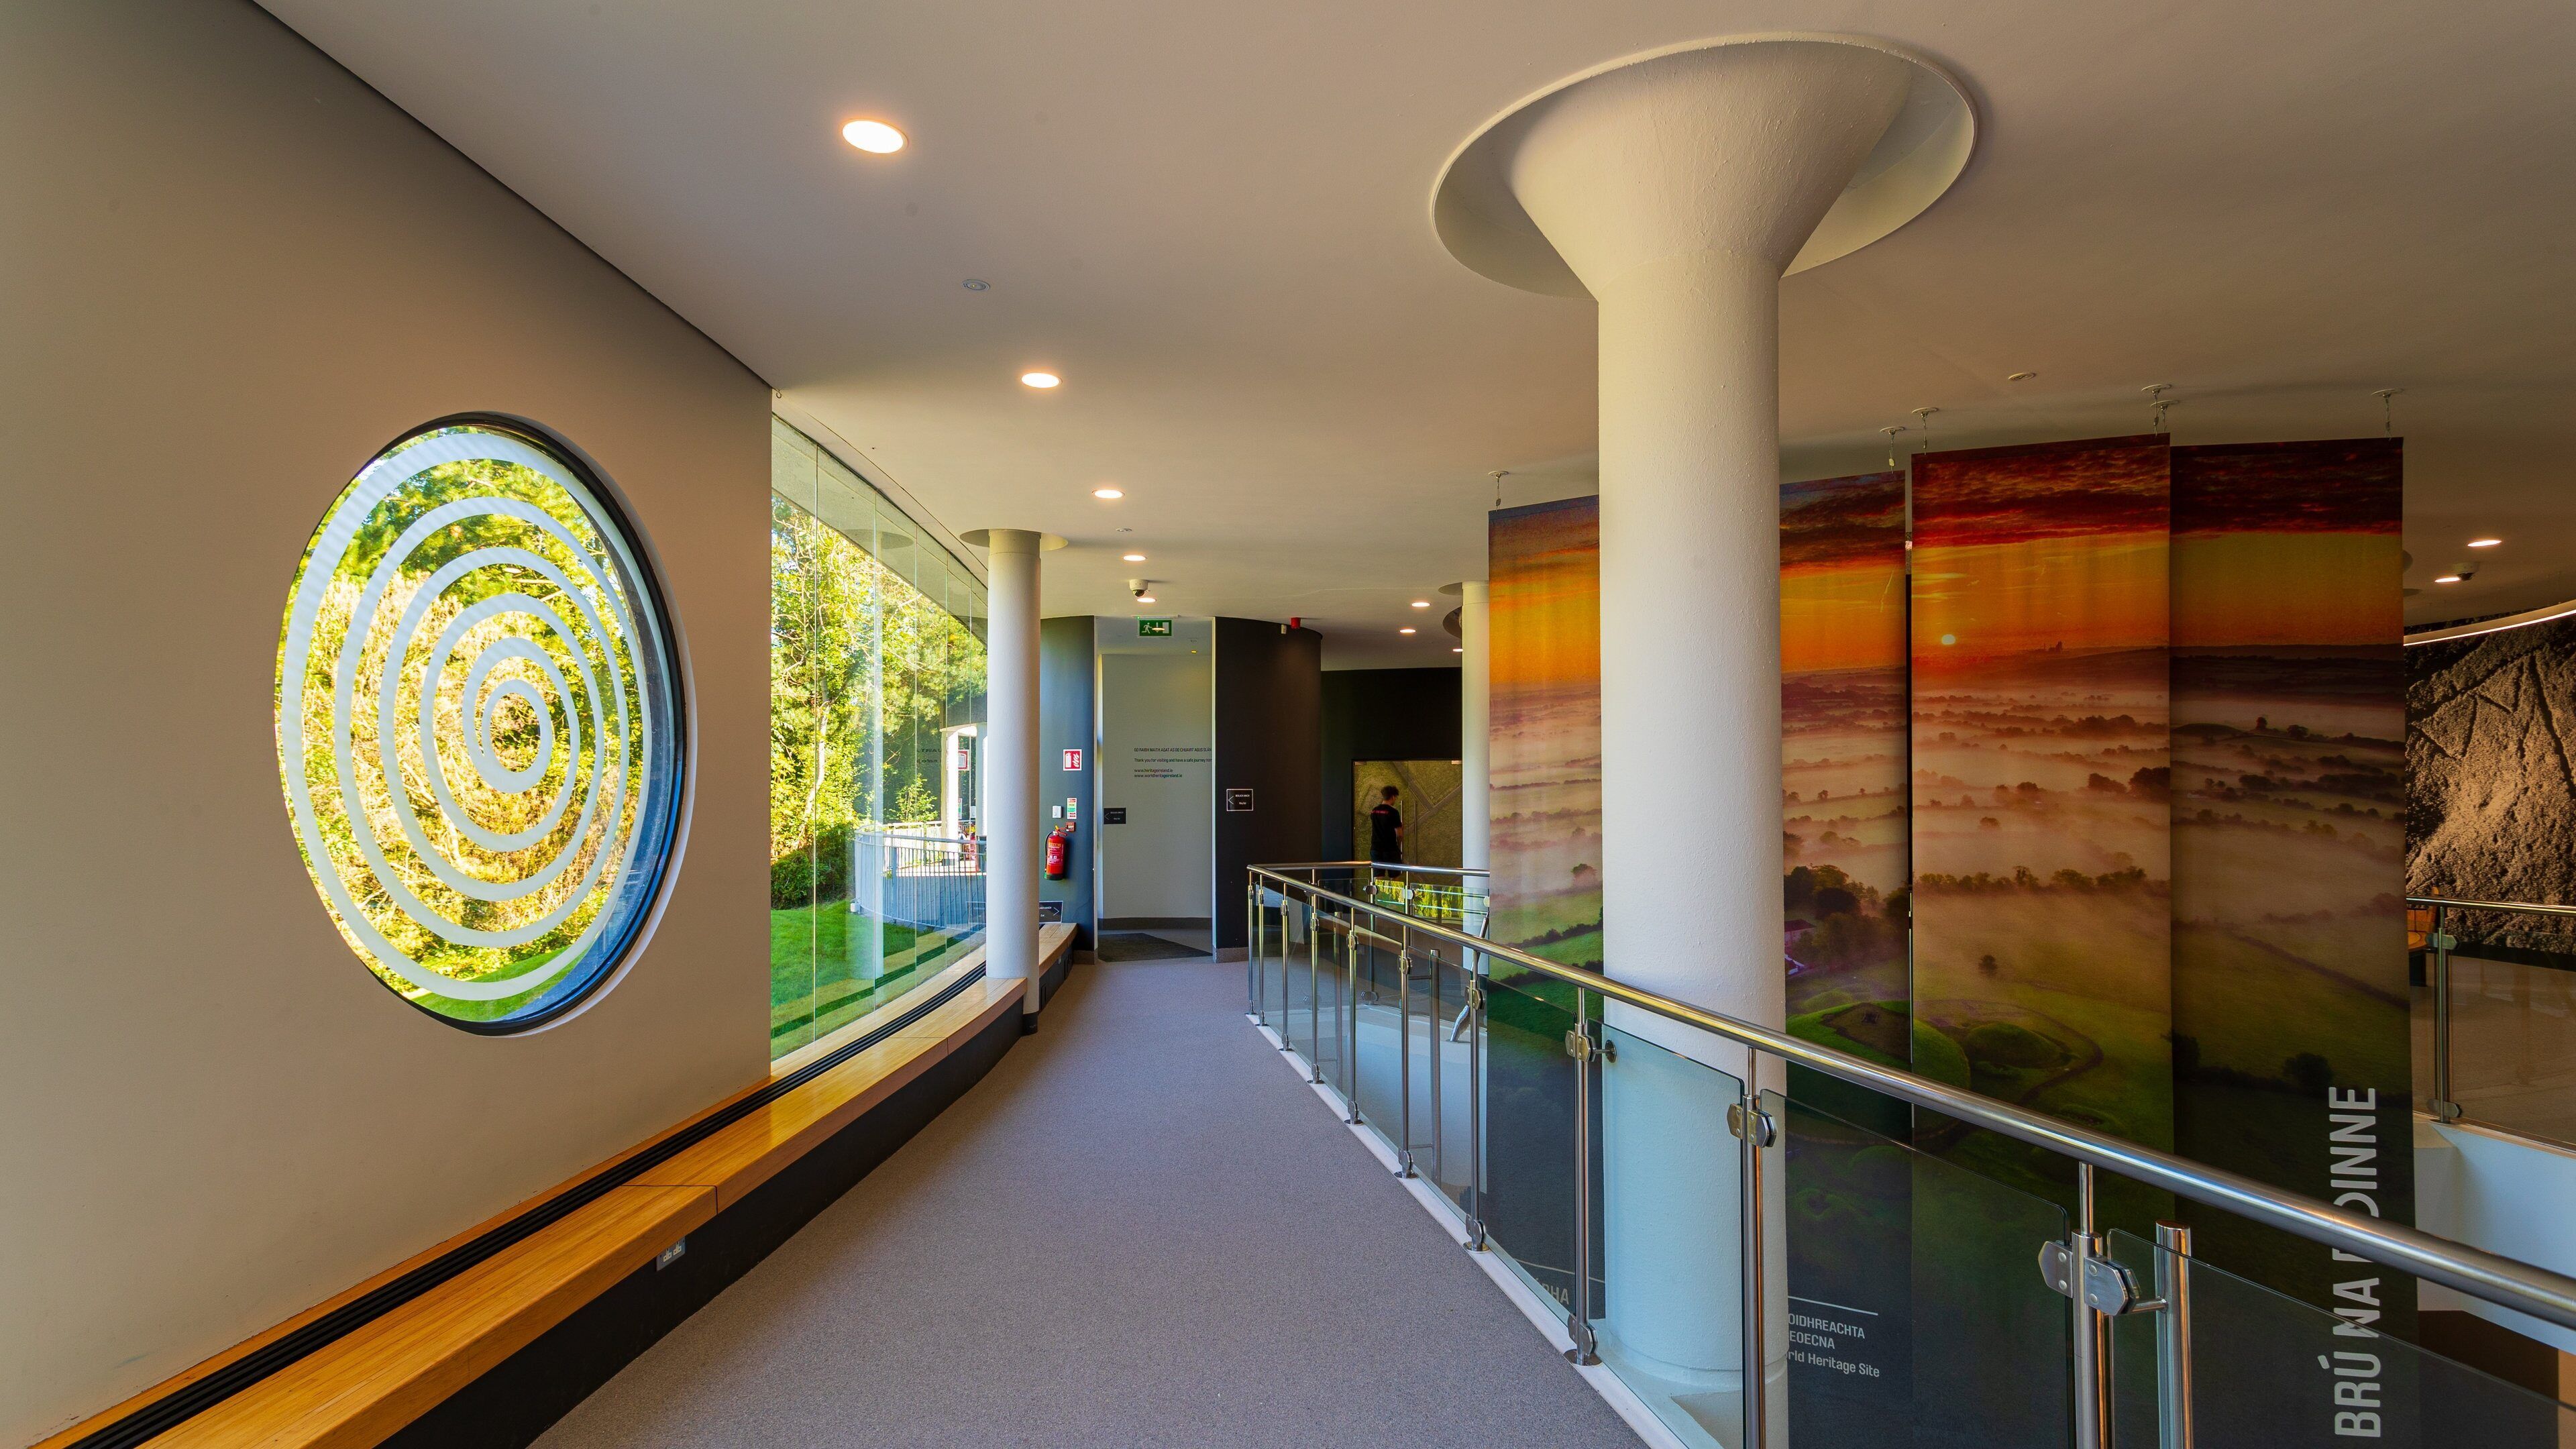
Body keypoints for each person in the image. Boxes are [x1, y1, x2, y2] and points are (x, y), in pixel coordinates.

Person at [1367, 784, 1404, 864]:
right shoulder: (1393, 812)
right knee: (1395, 874)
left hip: (1375, 848)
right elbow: (1400, 834)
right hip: (1390, 849)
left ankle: (1378, 877)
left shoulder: (1374, 811)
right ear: (1393, 797)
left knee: (1378, 874)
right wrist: (1399, 846)